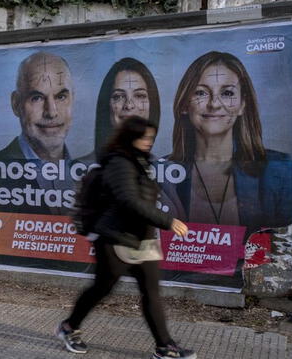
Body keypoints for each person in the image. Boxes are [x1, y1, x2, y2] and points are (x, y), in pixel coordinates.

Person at [56, 116, 196, 359]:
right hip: (115, 239)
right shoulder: (119, 163)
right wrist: (168, 221)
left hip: (143, 239)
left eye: (152, 137)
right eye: (144, 137)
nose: (149, 142)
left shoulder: (141, 161)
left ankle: (165, 346)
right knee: (101, 288)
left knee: (151, 292)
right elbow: (128, 201)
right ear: (131, 137)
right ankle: (69, 327)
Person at [169, 51, 292, 230]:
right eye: (201, 92)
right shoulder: (162, 173)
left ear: (243, 104)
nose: (214, 104)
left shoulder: (282, 173)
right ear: (184, 105)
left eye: (227, 93)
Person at [78, 57, 184, 217]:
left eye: (140, 96)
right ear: (106, 105)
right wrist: (168, 222)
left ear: (152, 104)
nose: (129, 105)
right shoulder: (83, 166)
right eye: (118, 96)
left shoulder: (167, 171)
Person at [1, 51, 74, 162]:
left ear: (72, 99)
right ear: (16, 104)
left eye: (61, 97)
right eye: (37, 98)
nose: (51, 112)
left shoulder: (87, 174)